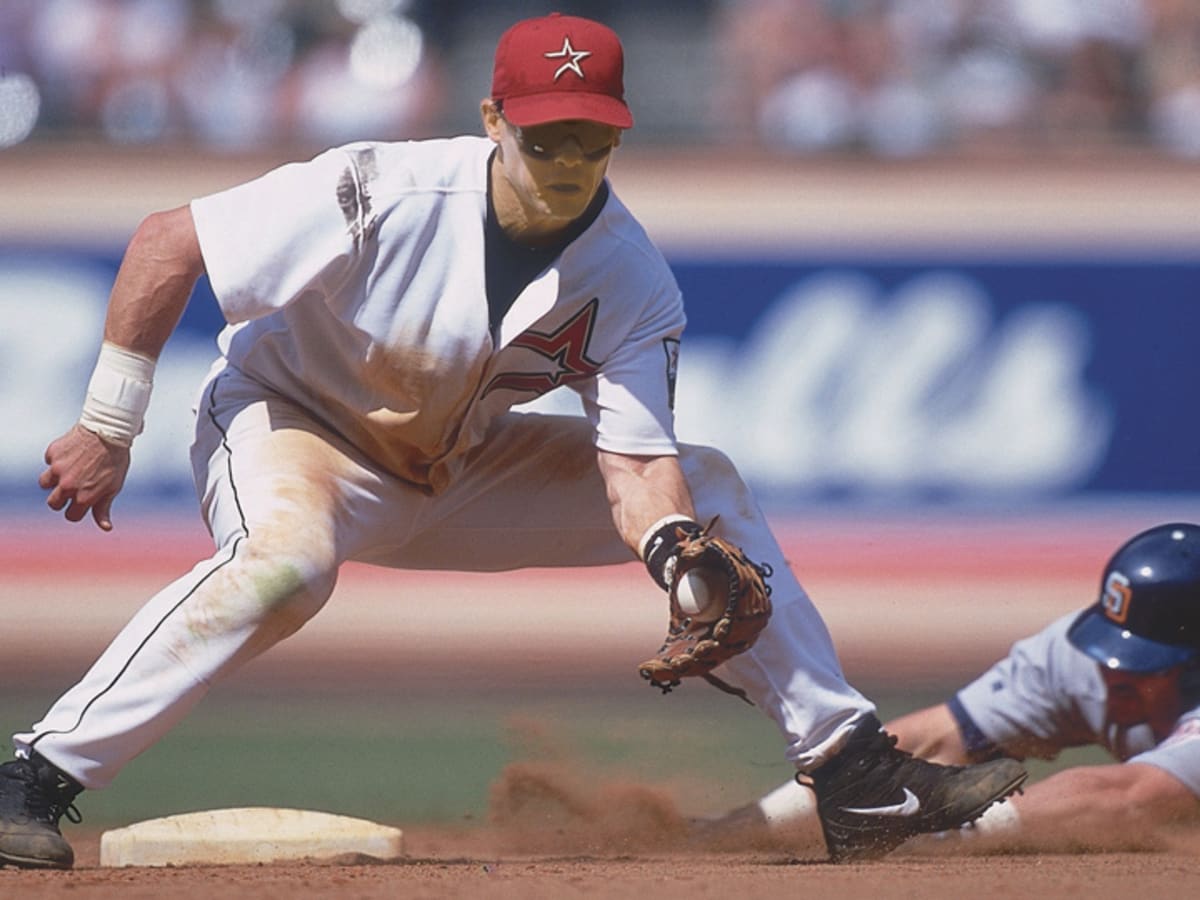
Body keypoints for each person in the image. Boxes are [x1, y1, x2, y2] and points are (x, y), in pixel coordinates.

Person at [0, 13, 1024, 870]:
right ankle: (31, 779)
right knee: (287, 567)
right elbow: (168, 241)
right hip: (290, 424)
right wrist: (108, 423)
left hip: (453, 466)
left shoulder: (629, 276)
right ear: (495, 120)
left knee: (707, 486)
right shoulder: (381, 190)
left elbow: (636, 462)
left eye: (592, 139)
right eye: (546, 137)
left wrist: (675, 553)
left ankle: (852, 773)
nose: (569, 162)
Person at [702, 522, 1200, 853]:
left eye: (1145, 663)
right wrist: (750, 826)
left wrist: (942, 836)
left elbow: (1129, 798)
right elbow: (939, 740)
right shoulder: (1076, 656)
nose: (1113, 672)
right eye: (1110, 646)